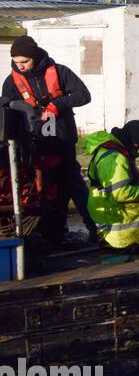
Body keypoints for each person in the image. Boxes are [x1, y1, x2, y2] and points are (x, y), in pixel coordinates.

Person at [1, 35, 96, 244]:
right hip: (34, 145)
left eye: (24, 62)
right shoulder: (11, 83)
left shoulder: (60, 72)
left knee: (72, 185)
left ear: (34, 56)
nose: (21, 66)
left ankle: (95, 229)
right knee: (44, 191)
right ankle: (52, 235)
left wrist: (57, 105)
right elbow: (6, 111)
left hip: (62, 140)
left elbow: (84, 95)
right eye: (17, 63)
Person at [85, 120, 139, 250]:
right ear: (131, 141)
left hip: (113, 213)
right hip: (119, 229)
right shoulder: (115, 158)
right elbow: (121, 193)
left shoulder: (113, 150)